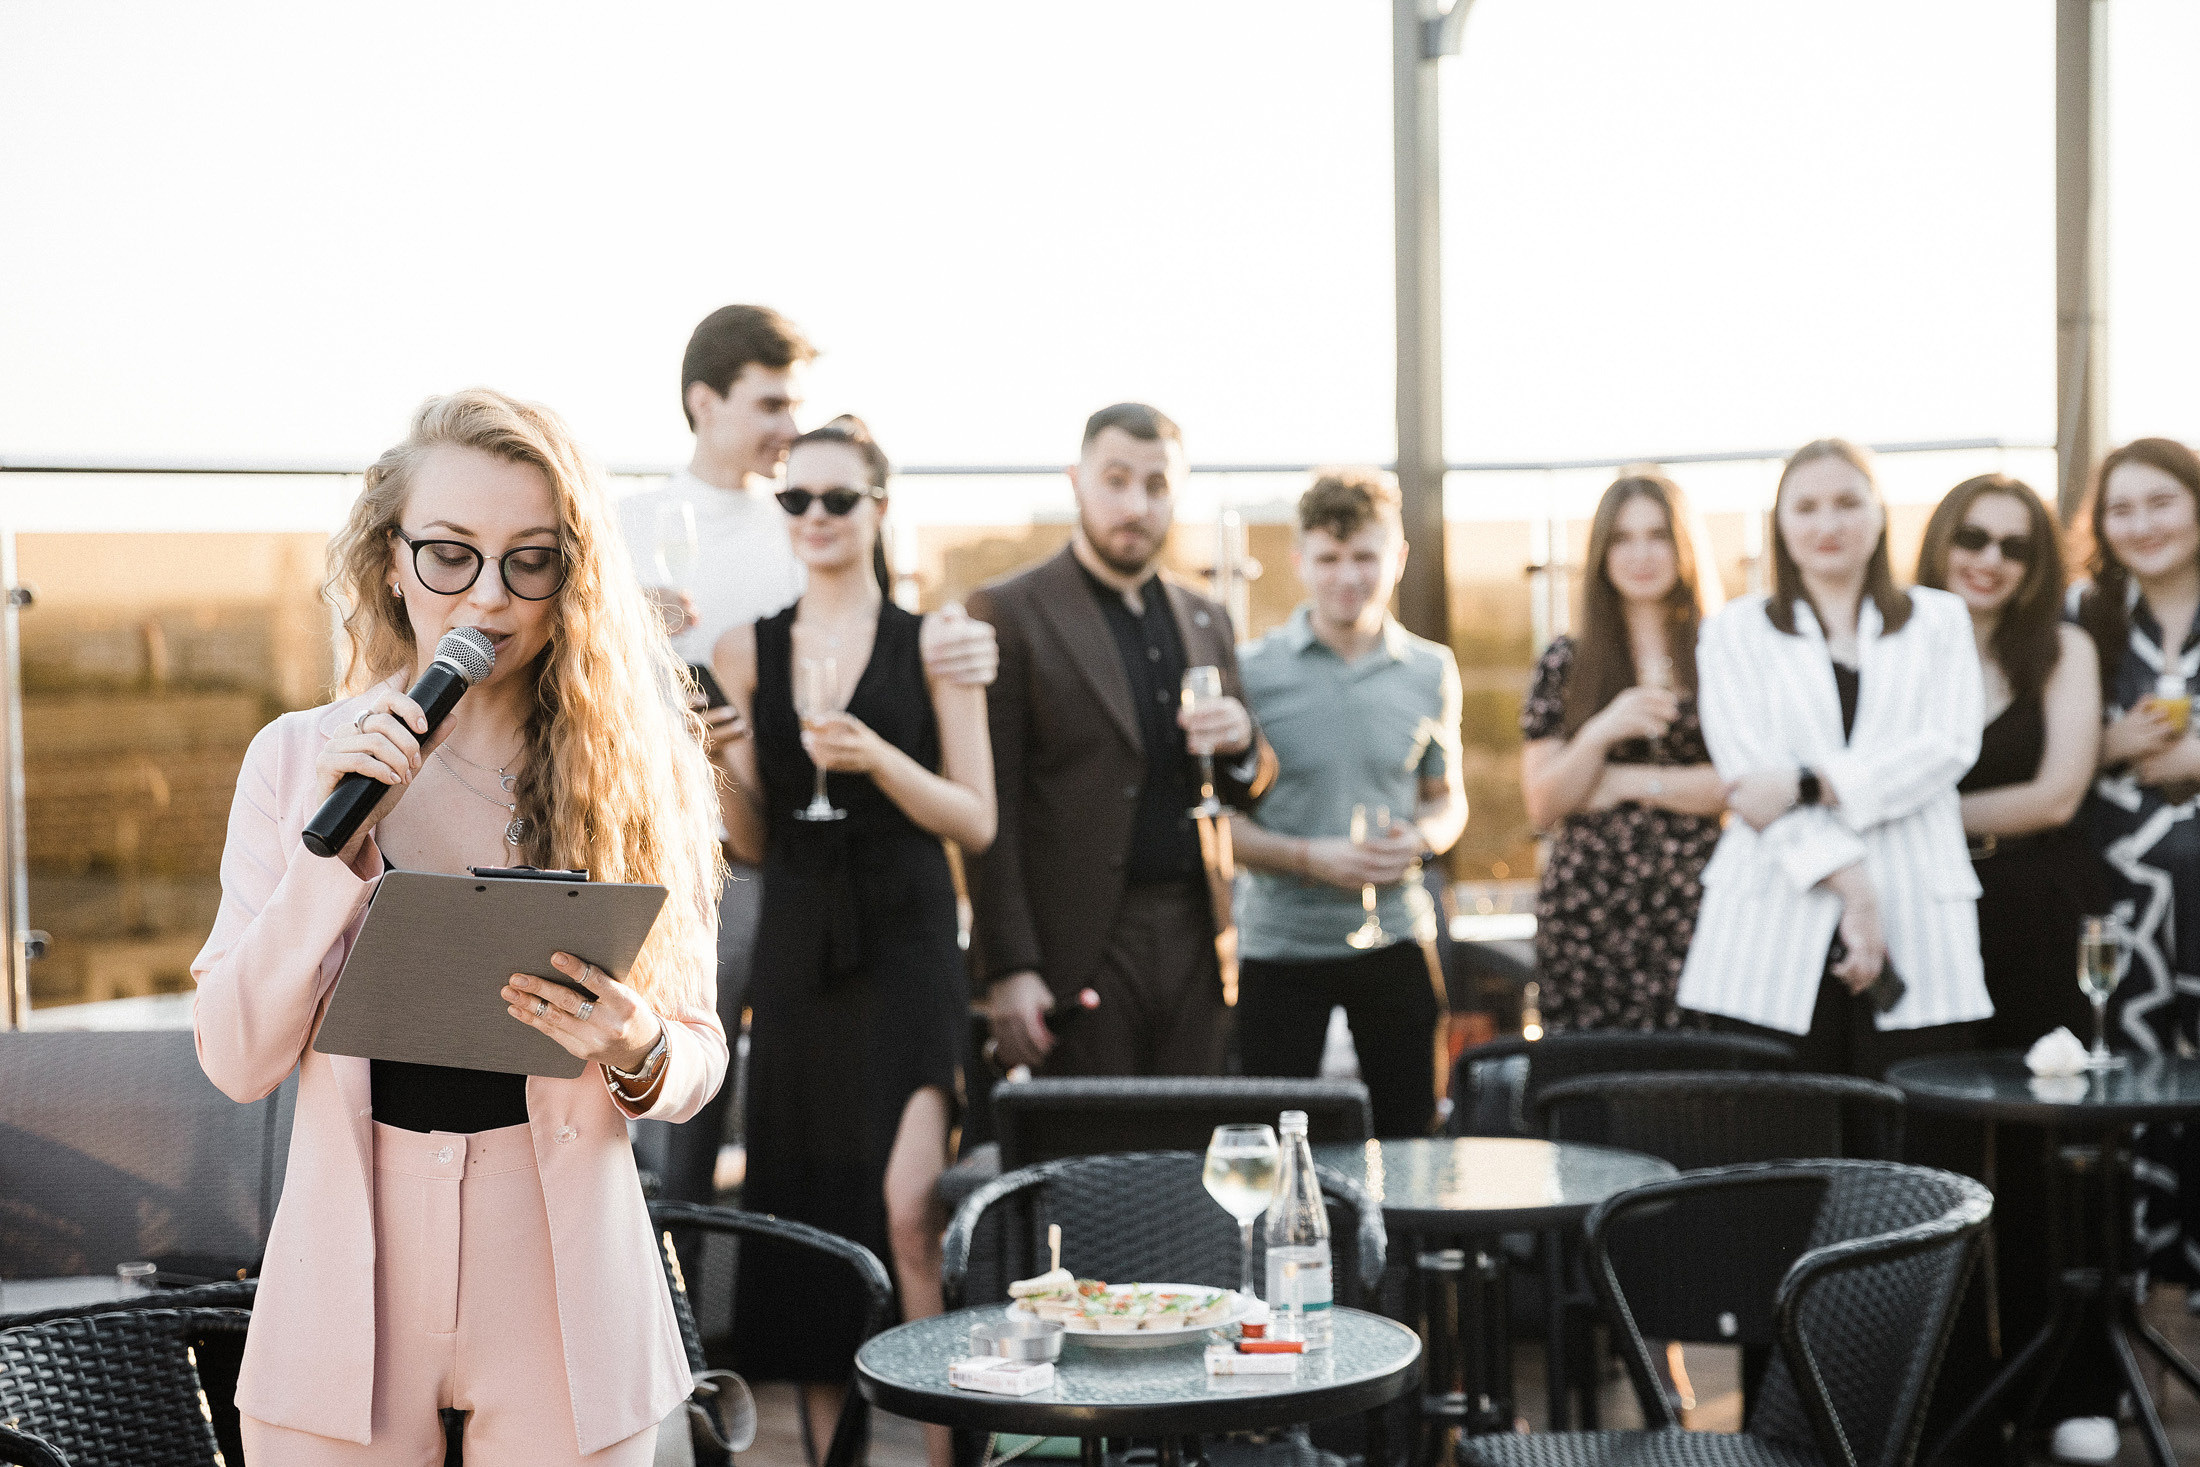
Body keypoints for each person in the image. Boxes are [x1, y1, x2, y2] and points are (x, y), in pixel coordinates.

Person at [193, 389, 726, 1464]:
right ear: (392, 560)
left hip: (564, 1283)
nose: (488, 595)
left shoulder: (639, 770)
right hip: (347, 1281)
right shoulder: (299, 760)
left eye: (529, 559)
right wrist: (327, 856)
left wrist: (636, 1046)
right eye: (450, 554)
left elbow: (698, 1053)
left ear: (571, 574)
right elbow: (235, 1057)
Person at [620, 305, 995, 1222]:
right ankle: (681, 1333)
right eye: (772, 404)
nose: (790, 436)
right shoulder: (619, 528)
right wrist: (620, 629)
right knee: (665, 1127)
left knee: (748, 1109)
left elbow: (865, 647)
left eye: (799, 410)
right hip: (648, 851)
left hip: (764, 857)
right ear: (703, 401)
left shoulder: (794, 533)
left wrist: (960, 651)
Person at [710, 416, 994, 1467]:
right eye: (796, 499)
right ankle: (834, 1456)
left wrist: (876, 758)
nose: (816, 517)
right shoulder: (748, 647)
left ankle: (942, 1453)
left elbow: (976, 818)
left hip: (911, 939)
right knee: (813, 1210)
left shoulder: (938, 642)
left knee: (907, 1206)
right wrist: (725, 766)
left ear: (880, 507)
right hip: (798, 945)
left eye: (838, 499)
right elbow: (751, 838)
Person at [969, 402, 1276, 1077]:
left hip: (1201, 938)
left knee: (1187, 1162)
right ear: (1076, 480)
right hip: (1077, 944)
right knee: (1092, 1165)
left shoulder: (1208, 615)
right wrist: (1010, 968)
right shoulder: (1009, 611)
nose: (1135, 504)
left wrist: (1244, 744)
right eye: (1115, 480)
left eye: (1157, 485)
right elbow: (992, 810)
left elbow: (1250, 782)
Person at [1679, 438, 1990, 1078]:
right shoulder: (1733, 631)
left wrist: (1805, 780)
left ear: (1880, 515)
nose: (1828, 524)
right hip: (1774, 906)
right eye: (1806, 507)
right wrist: (1853, 886)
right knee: (1781, 1144)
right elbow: (1749, 782)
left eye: (1848, 503)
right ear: (1780, 524)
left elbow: (1947, 746)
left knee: (1917, 1147)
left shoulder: (1940, 621)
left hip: (1918, 911)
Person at [1914, 472, 2115, 1457]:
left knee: (2047, 1147)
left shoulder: (2061, 648)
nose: (1988, 558)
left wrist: (1906, 813)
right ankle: (1949, 1391)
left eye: (2013, 545)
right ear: (1940, 542)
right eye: (1972, 537)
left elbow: (2052, 795)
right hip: (1928, 915)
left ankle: (2067, 1388)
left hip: (2036, 905)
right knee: (1939, 1151)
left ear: (2037, 565)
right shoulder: (1903, 644)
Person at [1229, 468, 1466, 1138]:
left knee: (1413, 1139)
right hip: (1279, 943)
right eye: (1329, 558)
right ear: (1300, 560)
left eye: (1364, 556)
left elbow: (1445, 799)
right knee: (1277, 1150)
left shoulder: (1430, 668)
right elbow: (1223, 828)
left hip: (1394, 932)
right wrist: (1308, 856)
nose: (1347, 576)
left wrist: (1422, 839)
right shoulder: (1252, 670)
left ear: (1397, 558)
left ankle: (1401, 1250)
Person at [1519, 471, 1728, 1032]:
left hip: (1701, 906)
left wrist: (1621, 782)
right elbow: (1543, 804)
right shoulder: (1567, 660)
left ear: (1682, 545)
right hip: (1588, 915)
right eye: (1622, 538)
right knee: (1593, 1091)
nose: (1641, 554)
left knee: (1695, 1092)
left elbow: (1737, 787)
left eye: (1657, 535)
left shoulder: (1725, 654)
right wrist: (1598, 734)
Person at [2071, 437, 2200, 1312]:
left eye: (2161, 501)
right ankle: (2126, 1354)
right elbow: (2041, 746)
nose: (2142, 523)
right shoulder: (2087, 614)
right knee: (2124, 1098)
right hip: (2115, 907)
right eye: (2122, 508)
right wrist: (2106, 744)